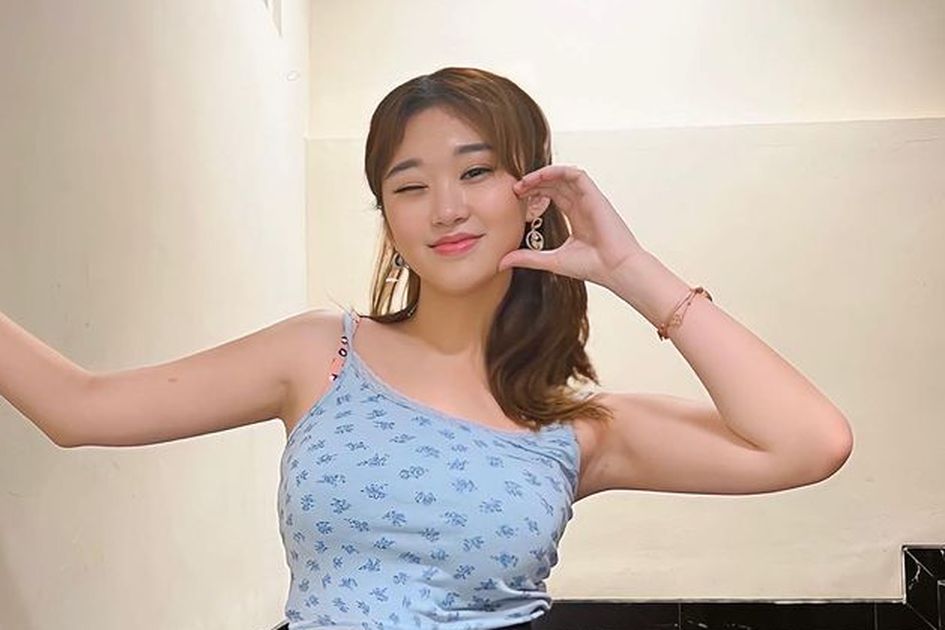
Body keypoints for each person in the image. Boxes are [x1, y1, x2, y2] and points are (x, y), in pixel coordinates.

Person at [1, 66, 853, 630]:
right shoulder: (319, 355)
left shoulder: (577, 427)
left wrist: (631, 270)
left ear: (532, 195)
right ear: (390, 217)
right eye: (409, 186)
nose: (445, 208)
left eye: (475, 172)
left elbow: (809, 444)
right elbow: (79, 409)